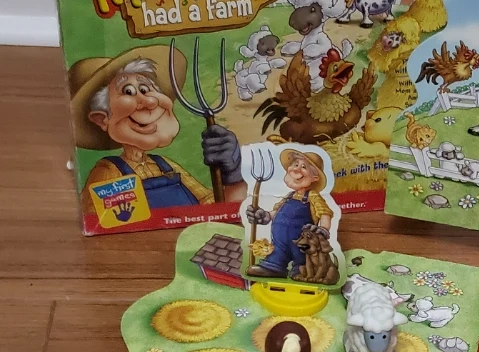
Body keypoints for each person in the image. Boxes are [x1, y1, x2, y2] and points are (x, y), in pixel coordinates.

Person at [70, 48, 244, 214]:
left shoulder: (165, 166)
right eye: (128, 91)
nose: (150, 102)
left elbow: (210, 206)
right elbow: (103, 222)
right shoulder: (109, 173)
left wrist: (233, 177)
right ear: (101, 119)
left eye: (145, 89)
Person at [246, 149, 332, 279]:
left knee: (302, 259)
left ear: (314, 177)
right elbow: (276, 212)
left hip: (301, 242)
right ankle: (274, 267)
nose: (297, 169)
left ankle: (302, 270)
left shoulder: (312, 196)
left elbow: (325, 213)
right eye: (295, 165)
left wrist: (323, 229)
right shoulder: (289, 196)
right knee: (276, 254)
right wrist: (263, 216)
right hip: (279, 242)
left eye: (304, 167)